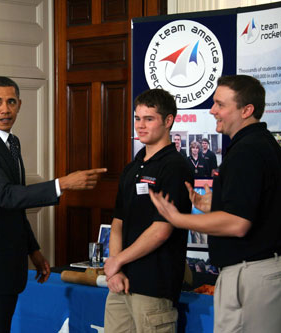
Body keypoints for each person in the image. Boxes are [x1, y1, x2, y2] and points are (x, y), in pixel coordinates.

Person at [0, 76, 106, 332]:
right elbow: (7, 195)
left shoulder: (10, 142)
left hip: (7, 263)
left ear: (20, 104)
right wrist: (63, 183)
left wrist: (33, 251)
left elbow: (14, 207)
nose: (5, 109)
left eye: (11, 102)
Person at [150, 75, 281, 333]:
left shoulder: (249, 151)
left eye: (220, 105)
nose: (212, 110)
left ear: (247, 110)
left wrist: (178, 219)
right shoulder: (255, 144)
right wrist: (215, 204)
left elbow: (238, 224)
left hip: (251, 275)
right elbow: (254, 207)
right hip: (253, 273)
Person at [103, 89, 193, 332]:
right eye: (137, 118)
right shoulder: (132, 167)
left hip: (154, 286)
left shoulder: (175, 167)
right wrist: (117, 269)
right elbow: (118, 222)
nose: (140, 126)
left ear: (168, 121)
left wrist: (117, 260)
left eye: (149, 119)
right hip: (120, 282)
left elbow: (161, 230)